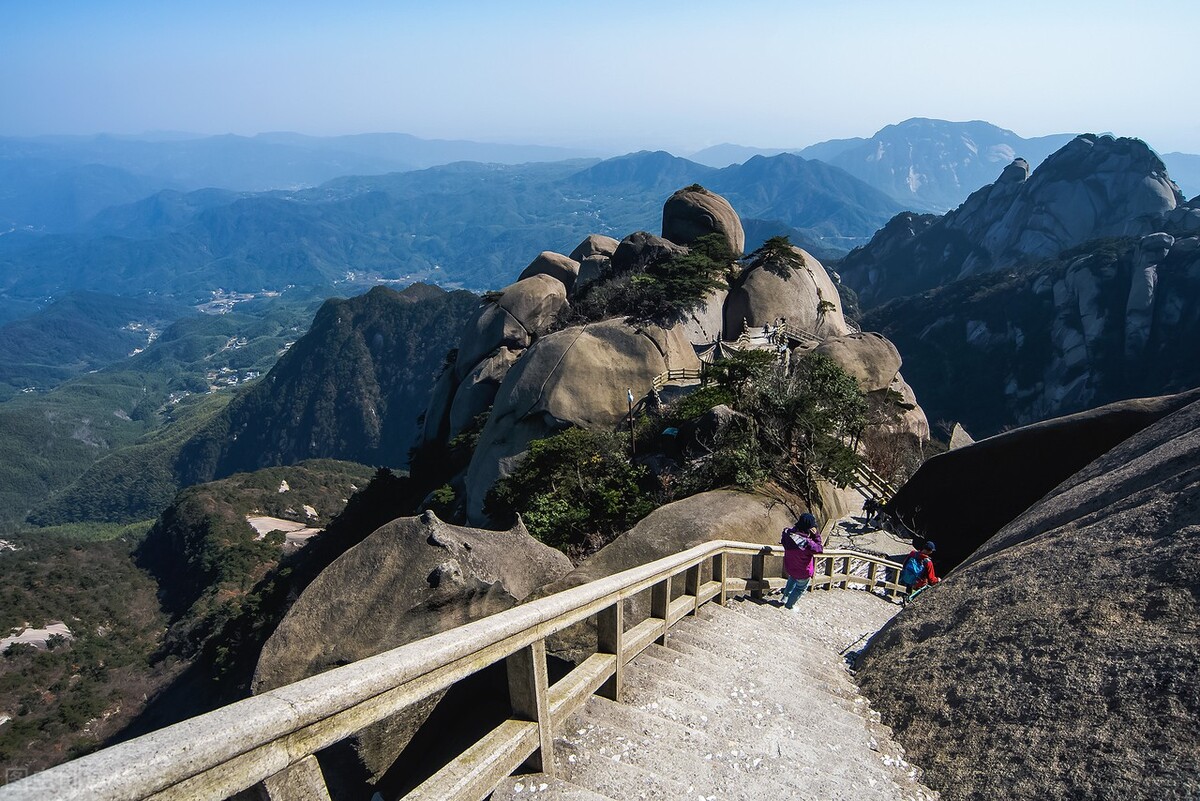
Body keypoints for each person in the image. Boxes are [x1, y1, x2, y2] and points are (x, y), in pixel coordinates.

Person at [780, 512, 823, 609]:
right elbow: (819, 549)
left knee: (792, 578)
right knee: (800, 588)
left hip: (790, 567)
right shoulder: (807, 543)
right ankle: (789, 605)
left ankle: (785, 598)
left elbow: (785, 536)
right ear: (809, 528)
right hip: (803, 571)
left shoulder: (788, 534)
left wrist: (794, 529)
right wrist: (816, 535)